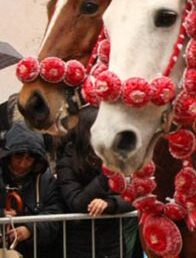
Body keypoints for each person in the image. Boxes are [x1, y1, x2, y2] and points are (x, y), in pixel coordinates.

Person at [57, 107, 139, 258]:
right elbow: (77, 202)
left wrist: (110, 203)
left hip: (112, 244)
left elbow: (133, 197)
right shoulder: (66, 163)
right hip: (80, 246)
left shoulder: (114, 159)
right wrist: (105, 176)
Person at [0, 123, 63, 257]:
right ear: (8, 154)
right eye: (18, 155)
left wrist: (30, 229)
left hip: (38, 251)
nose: (23, 163)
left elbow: (55, 213)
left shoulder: (46, 180)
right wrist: (2, 214)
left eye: (29, 158)